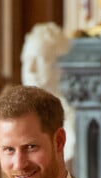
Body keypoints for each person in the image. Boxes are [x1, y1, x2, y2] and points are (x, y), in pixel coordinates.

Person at [20, 22, 75, 166]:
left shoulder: (73, 117)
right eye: (27, 60)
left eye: (40, 60)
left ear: (61, 65)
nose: (30, 69)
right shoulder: (19, 118)